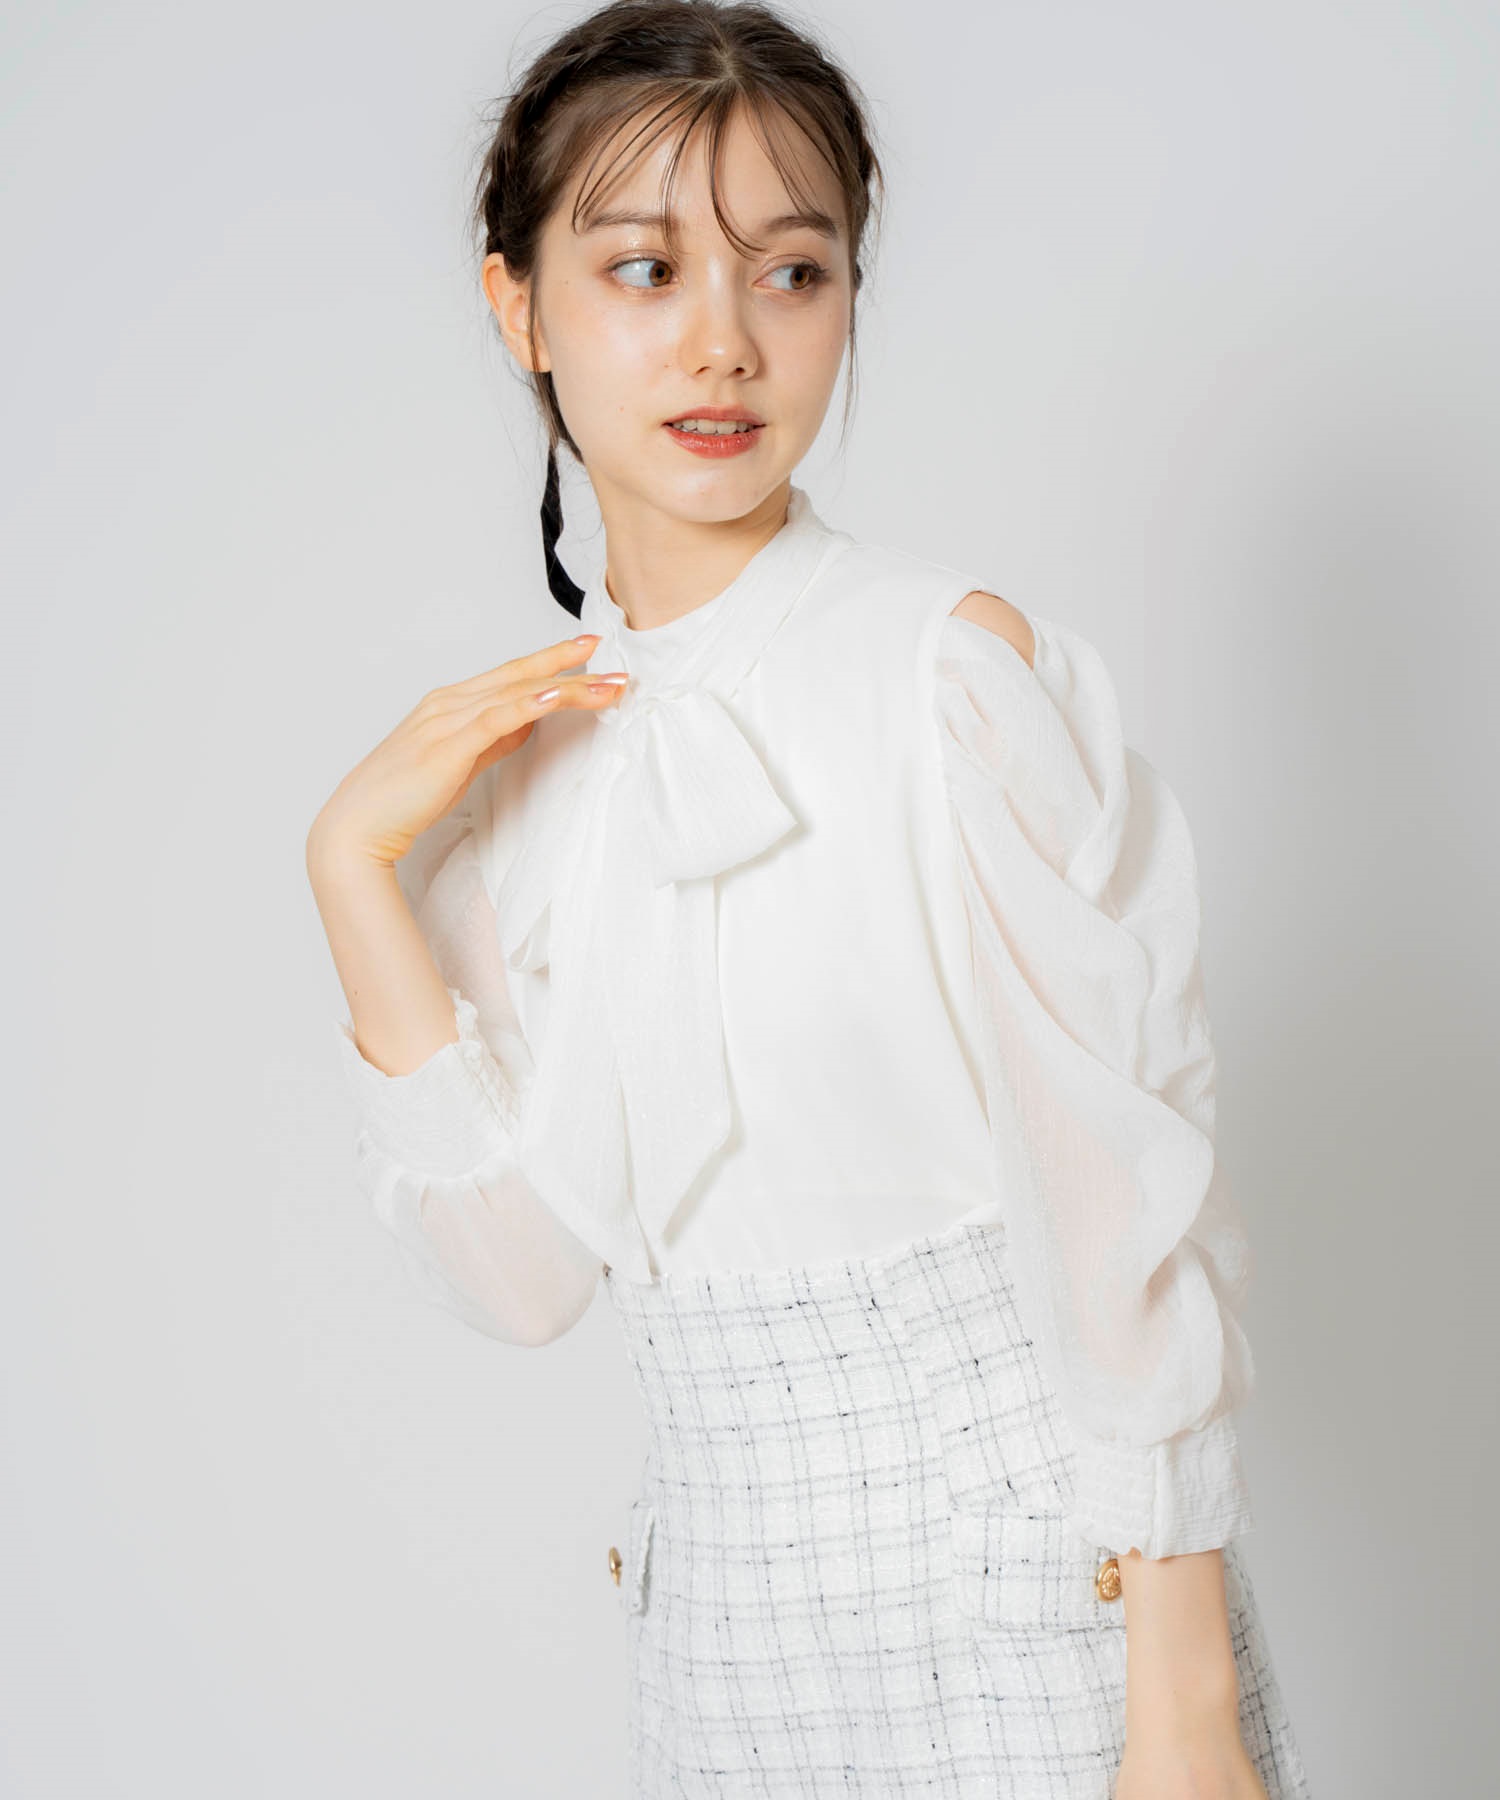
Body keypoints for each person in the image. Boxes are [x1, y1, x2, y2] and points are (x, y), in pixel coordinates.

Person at [305, 3, 1313, 1794]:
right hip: (729, 1660)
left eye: (791, 271)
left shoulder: (944, 676)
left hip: (1040, 1615)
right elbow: (526, 1281)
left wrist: (1186, 1707)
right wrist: (352, 879)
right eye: (644, 269)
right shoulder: (526, 782)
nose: (725, 340)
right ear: (518, 306)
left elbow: (1122, 1208)